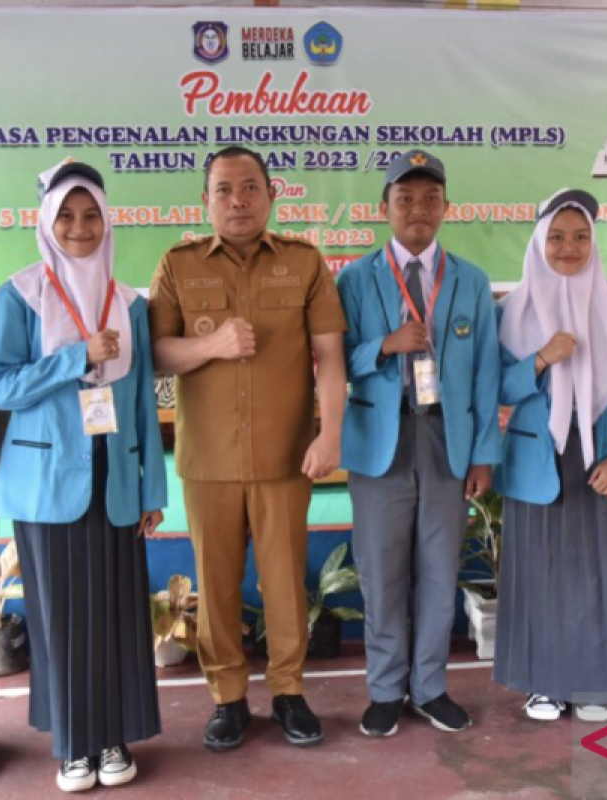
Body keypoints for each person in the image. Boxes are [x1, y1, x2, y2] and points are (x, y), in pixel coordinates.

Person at [148, 146, 347, 751]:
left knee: (285, 582)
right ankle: (228, 699)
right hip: (208, 458)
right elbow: (158, 353)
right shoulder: (177, 265)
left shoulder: (305, 262)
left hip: (286, 455)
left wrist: (330, 432)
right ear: (205, 201)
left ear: (271, 195)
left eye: (250, 188)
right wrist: (212, 347)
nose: (238, 200)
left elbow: (331, 357)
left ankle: (288, 692)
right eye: (224, 190)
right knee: (218, 581)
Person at [0, 160, 167, 791]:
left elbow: (143, 400)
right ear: (46, 220)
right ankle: (73, 746)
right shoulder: (21, 294)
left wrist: (153, 489)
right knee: (60, 615)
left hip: (114, 479)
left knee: (116, 611)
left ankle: (113, 736)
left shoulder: (128, 304)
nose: (81, 227)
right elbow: (0, 387)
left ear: (107, 219)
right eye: (67, 214)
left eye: (91, 214)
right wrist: (73, 358)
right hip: (44, 483)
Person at [337, 149, 501, 737]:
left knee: (438, 569)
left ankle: (430, 686)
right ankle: (385, 689)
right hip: (380, 443)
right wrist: (384, 345)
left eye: (430, 198)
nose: (418, 209)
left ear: (446, 208)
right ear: (384, 208)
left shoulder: (471, 281)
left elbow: (484, 373)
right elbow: (333, 361)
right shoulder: (354, 279)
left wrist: (484, 454)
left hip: (445, 443)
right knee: (381, 572)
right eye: (404, 198)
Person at [492, 188, 607, 724]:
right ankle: (545, 684)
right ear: (540, 241)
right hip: (538, 461)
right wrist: (541, 358)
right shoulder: (510, 313)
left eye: (581, 237)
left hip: (603, 460)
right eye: (558, 237)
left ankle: (596, 681)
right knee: (540, 572)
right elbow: (497, 387)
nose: (569, 247)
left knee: (600, 572)